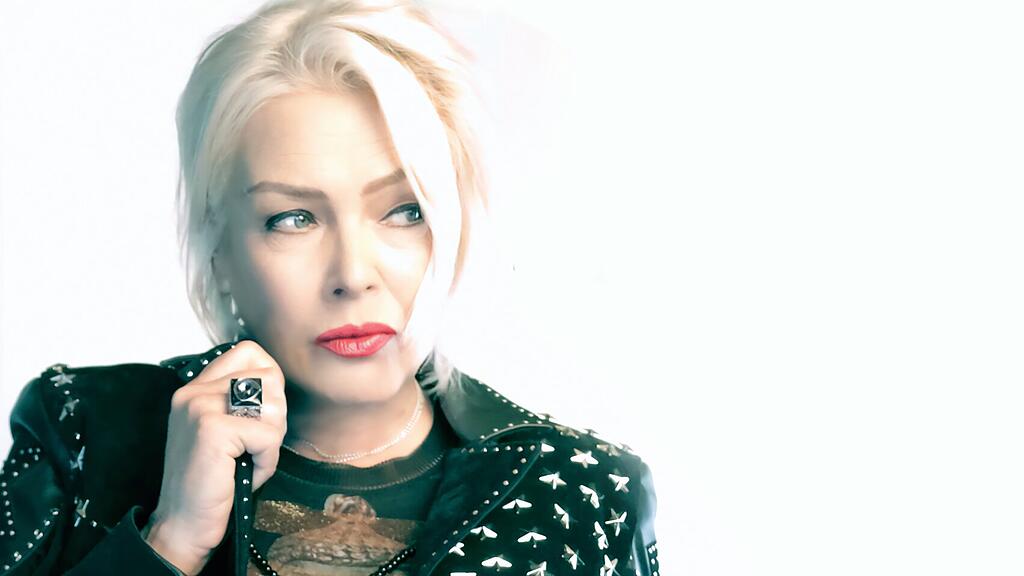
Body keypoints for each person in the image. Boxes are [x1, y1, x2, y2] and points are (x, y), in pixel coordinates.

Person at [0, 1, 659, 575]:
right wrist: (172, 539)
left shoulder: (581, 493)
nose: (353, 274)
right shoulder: (85, 435)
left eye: (404, 210)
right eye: (294, 218)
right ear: (220, 252)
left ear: (452, 228)